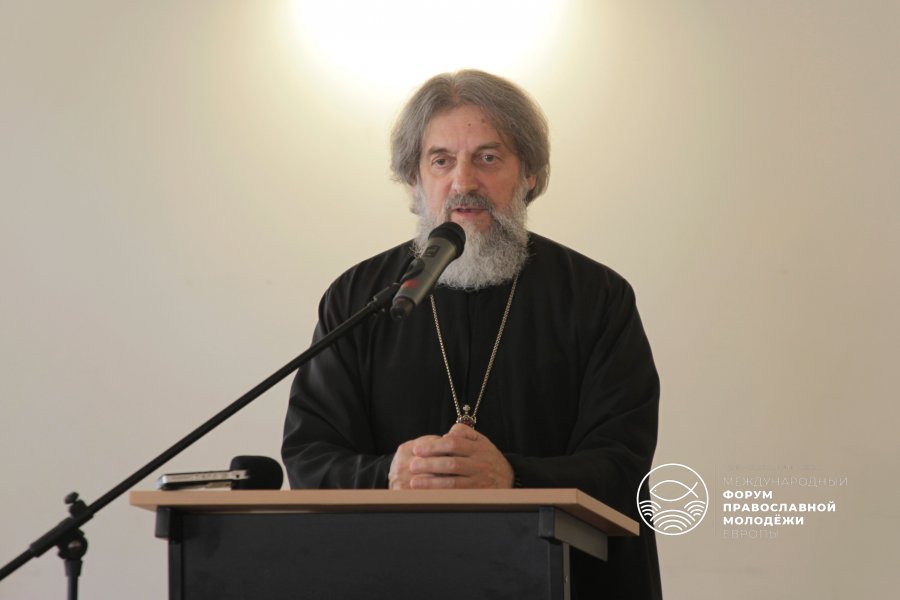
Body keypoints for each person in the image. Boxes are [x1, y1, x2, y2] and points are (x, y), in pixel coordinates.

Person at [282, 69, 662, 599]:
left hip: (567, 581)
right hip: (395, 578)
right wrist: (389, 474)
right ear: (415, 182)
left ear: (530, 174)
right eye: (441, 160)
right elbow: (310, 454)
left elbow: (623, 463)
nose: (463, 182)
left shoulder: (596, 297)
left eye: (487, 157)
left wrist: (513, 477)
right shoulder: (359, 299)